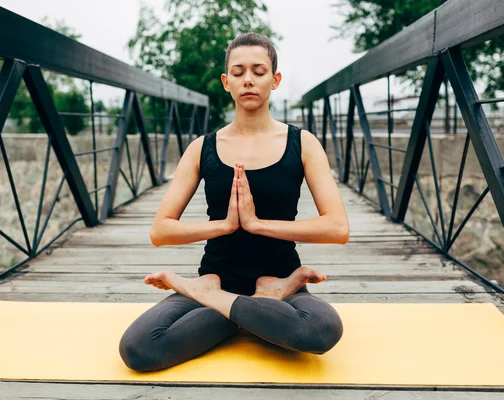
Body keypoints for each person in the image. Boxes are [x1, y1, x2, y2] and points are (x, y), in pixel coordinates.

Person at [119, 32, 349, 372]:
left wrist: (257, 225)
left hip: (281, 281)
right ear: (226, 82)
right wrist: (225, 225)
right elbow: (160, 231)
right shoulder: (202, 147)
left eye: (259, 70)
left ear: (275, 79)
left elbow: (338, 228)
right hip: (218, 276)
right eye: (238, 72)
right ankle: (248, 305)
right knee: (138, 349)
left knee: (321, 330)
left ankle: (223, 300)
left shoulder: (303, 143)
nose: (249, 80)